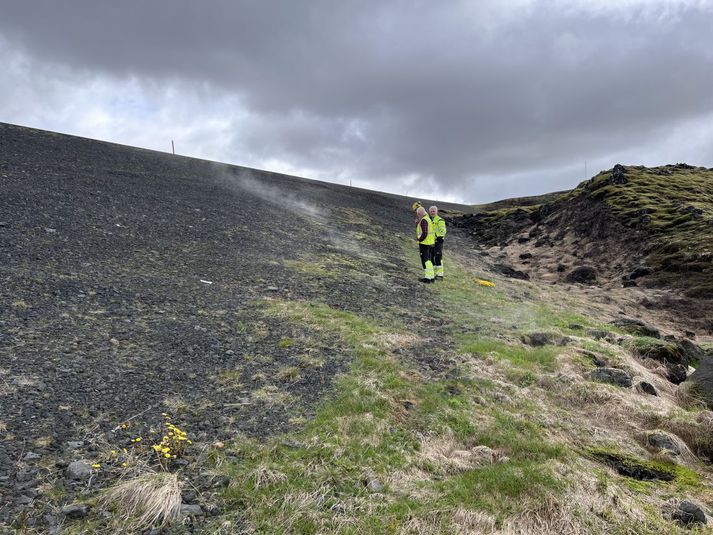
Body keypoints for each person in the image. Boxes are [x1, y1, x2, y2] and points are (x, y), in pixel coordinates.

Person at [415, 206, 435, 283]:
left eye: (417, 214)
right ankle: (431, 277)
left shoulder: (423, 220)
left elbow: (425, 233)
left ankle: (427, 278)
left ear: (419, 213)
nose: (417, 215)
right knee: (429, 260)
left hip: (424, 243)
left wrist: (420, 239)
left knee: (425, 261)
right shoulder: (427, 218)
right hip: (429, 243)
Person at [429, 205, 446, 279]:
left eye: (434, 211)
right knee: (431, 257)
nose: (432, 212)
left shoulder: (440, 220)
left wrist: (440, 237)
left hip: (438, 241)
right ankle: (434, 273)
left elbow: (443, 230)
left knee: (438, 257)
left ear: (437, 212)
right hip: (431, 241)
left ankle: (440, 275)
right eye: (431, 211)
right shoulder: (429, 220)